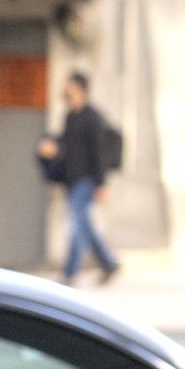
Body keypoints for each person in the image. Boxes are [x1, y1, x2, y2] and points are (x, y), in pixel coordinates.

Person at [37, 71, 120, 286]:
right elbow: (66, 146)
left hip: (87, 179)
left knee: (75, 224)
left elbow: (98, 153)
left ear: (79, 88)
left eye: (68, 85)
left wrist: (101, 184)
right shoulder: (70, 116)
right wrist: (53, 148)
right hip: (71, 179)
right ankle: (109, 263)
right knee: (84, 225)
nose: (65, 90)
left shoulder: (92, 117)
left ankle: (70, 272)